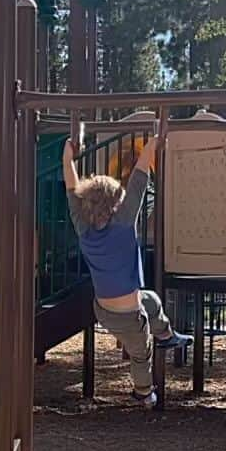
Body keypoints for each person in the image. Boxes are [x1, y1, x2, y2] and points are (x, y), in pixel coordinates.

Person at [63, 135, 190, 407]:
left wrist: (67, 158)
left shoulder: (83, 229)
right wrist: (154, 141)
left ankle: (166, 335)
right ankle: (143, 393)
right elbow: (139, 180)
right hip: (129, 317)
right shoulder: (122, 223)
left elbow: (72, 189)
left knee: (152, 301)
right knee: (140, 355)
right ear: (114, 205)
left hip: (103, 310)